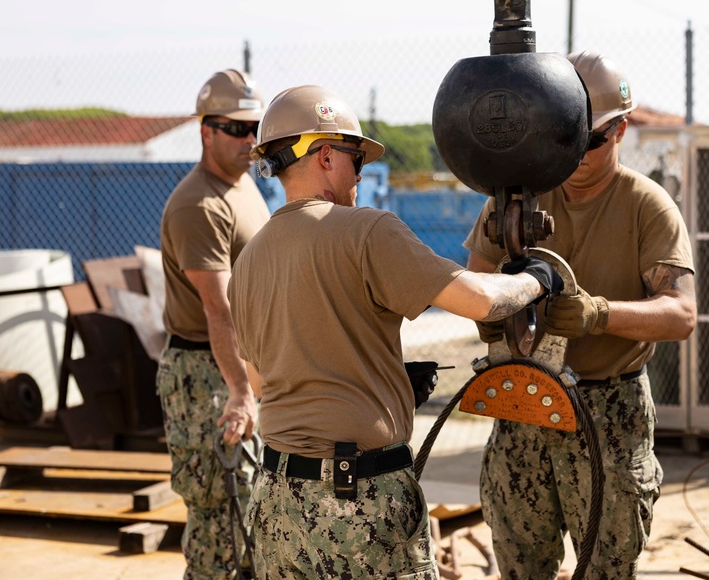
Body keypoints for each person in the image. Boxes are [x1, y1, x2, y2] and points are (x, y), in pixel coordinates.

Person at [227, 84, 563, 580]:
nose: (360, 176)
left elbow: (264, 382)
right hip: (358, 503)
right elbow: (480, 300)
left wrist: (378, 379)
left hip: (278, 504)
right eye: (356, 160)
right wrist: (537, 279)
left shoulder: (249, 260)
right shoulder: (367, 231)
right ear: (324, 156)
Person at [463, 51, 697, 580]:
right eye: (561, 135)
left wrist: (599, 315)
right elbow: (476, 276)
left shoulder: (647, 206)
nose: (573, 153)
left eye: (587, 139)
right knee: (521, 564)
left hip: (608, 413)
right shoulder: (516, 199)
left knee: (607, 566)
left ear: (620, 129)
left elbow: (681, 314)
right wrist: (492, 311)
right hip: (525, 401)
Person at [158, 68, 270, 579]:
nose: (251, 139)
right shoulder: (198, 204)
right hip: (208, 373)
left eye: (255, 128)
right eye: (238, 129)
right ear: (207, 130)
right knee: (218, 519)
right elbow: (218, 308)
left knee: (249, 508)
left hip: (238, 367)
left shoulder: (243, 185)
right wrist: (241, 392)